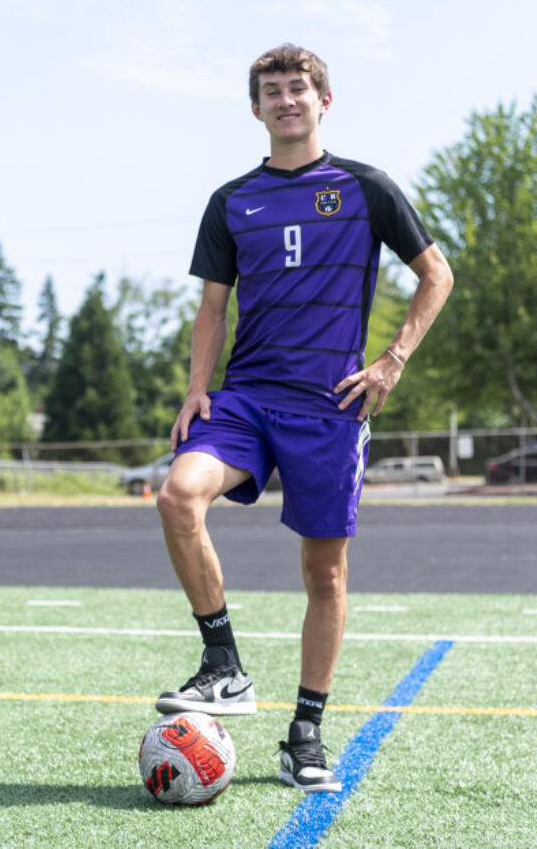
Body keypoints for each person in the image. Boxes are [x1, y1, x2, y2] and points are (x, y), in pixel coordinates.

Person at [153, 44, 454, 793]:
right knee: (177, 494)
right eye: (272, 92)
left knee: (325, 571)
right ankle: (224, 666)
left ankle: (305, 735)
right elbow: (212, 308)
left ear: (325, 100)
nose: (287, 100)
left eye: (299, 88)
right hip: (247, 397)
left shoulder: (364, 187)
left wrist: (392, 361)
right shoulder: (231, 202)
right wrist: (198, 388)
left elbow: (436, 275)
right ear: (255, 109)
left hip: (331, 404)